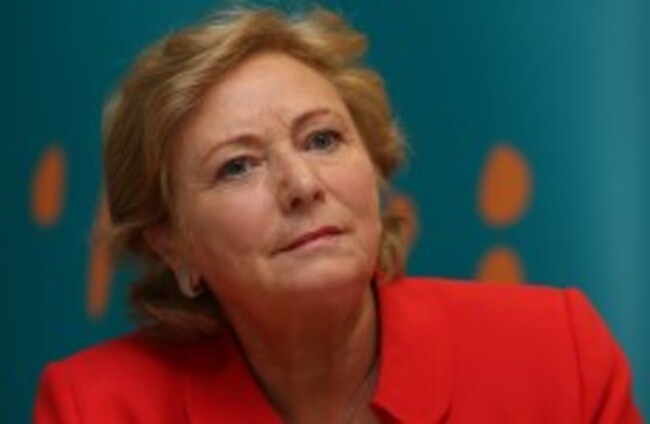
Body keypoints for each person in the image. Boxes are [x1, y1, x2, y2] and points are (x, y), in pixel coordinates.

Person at [34, 6, 641, 423]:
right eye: (237, 166)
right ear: (172, 243)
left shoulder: (556, 355)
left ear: (373, 167)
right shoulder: (95, 407)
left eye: (322, 139)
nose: (301, 185)